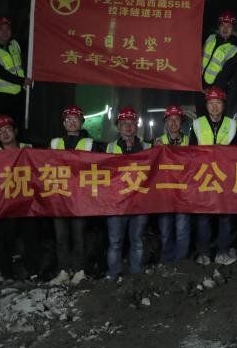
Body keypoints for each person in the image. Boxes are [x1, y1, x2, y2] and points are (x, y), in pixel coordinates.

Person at [190, 87, 237, 266]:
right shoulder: (197, 124)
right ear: (206, 105)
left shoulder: (232, 125)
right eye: (211, 103)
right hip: (204, 177)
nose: (215, 107)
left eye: (218, 103)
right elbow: (191, 152)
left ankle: (222, 252)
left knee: (225, 217)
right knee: (203, 217)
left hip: (224, 177)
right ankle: (204, 253)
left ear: (223, 105)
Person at [49, 104, 96, 285]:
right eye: (68, 119)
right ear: (63, 123)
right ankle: (63, 271)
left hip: (79, 199)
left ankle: (79, 270)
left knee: (78, 236)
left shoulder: (90, 143)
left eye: (75, 119)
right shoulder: (54, 143)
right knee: (61, 237)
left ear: (82, 122)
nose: (72, 122)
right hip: (59, 197)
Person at [0, 115, 41, 282]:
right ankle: (7, 275)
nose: (5, 134)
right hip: (6, 204)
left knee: (31, 239)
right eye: (0, 132)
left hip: (28, 203)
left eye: (8, 129)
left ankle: (34, 273)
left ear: (15, 131)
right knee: (5, 240)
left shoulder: (29, 149)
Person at [105, 106, 149, 280]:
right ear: (118, 126)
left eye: (131, 123)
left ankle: (135, 275)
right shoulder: (110, 148)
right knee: (115, 242)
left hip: (140, 203)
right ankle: (113, 274)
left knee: (137, 241)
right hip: (116, 204)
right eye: (124, 123)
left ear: (137, 125)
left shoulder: (147, 147)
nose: (128, 127)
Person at [0, 17, 33, 129]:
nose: (5, 32)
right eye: (1, 30)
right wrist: (22, 81)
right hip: (2, 98)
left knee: (17, 127)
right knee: (2, 127)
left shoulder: (15, 44)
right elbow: (0, 73)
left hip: (19, 94)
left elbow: (30, 42)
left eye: (7, 29)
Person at [156, 105, 192, 264]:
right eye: (170, 120)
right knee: (165, 230)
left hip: (184, 193)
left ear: (181, 122)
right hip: (165, 194)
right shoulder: (158, 142)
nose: (173, 123)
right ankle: (167, 261)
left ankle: (181, 262)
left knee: (182, 229)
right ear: (165, 123)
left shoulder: (189, 141)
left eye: (176, 120)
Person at [200, 11, 237, 114]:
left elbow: (225, 74)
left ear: (233, 29)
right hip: (199, 89)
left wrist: (212, 91)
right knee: (201, 119)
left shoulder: (235, 50)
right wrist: (199, 86)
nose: (225, 29)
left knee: (215, 118)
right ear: (219, 27)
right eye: (223, 25)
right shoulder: (209, 38)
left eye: (229, 26)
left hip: (216, 93)